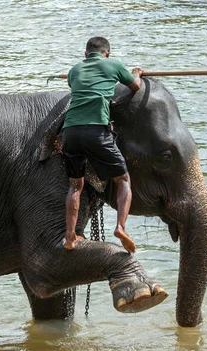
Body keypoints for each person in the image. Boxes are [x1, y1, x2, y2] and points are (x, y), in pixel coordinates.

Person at [62, 36, 143, 252]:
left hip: (70, 132)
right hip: (96, 129)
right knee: (123, 179)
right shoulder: (113, 64)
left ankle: (69, 237)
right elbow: (135, 86)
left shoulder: (75, 69)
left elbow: (74, 85)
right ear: (107, 53)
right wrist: (137, 73)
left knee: (75, 185)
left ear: (86, 54)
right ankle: (121, 227)